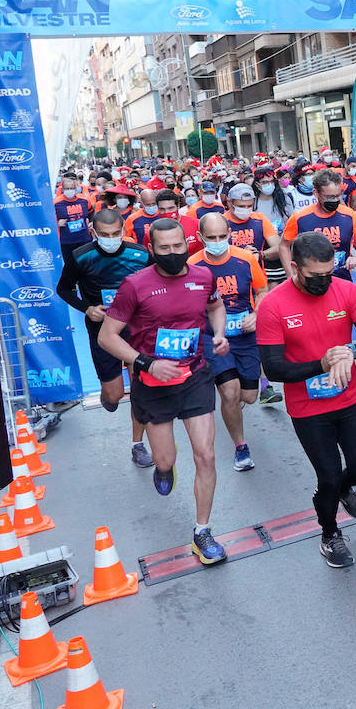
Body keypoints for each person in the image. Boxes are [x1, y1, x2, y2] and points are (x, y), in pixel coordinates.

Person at [97, 219, 231, 565]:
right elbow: (107, 337)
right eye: (164, 248)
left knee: (207, 456)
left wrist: (219, 333)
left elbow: (215, 306)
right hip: (153, 385)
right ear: (151, 248)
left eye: (178, 246)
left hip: (195, 377)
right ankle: (162, 467)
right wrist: (146, 363)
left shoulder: (203, 277)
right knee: (166, 459)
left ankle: (202, 532)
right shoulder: (135, 285)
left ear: (187, 243)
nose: (173, 253)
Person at [256, 232, 356, 568]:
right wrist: (321, 364)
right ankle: (329, 533)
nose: (324, 281)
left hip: (348, 398)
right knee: (327, 477)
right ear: (295, 268)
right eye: (316, 276)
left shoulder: (344, 290)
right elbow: (273, 369)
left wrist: (351, 350)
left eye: (329, 272)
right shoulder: (273, 305)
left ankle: (343, 490)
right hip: (308, 408)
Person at [57, 208, 154, 467]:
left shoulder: (141, 254)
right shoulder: (81, 256)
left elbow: (156, 284)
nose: (110, 238)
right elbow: (63, 289)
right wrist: (86, 308)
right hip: (102, 332)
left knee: (141, 389)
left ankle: (138, 444)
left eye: (115, 233)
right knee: (113, 397)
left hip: (136, 330)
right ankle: (108, 395)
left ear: (123, 231)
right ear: (93, 232)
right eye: (104, 234)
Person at [190, 213, 269, 472]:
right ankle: (241, 446)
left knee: (249, 395)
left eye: (222, 236)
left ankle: (231, 408)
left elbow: (262, 291)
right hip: (213, 339)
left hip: (246, 337)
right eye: (211, 238)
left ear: (230, 234)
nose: (217, 242)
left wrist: (257, 315)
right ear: (200, 238)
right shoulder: (192, 265)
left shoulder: (246, 258)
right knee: (230, 391)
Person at [282, 169, 356, 280]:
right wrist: (291, 275)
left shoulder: (349, 215)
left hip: (342, 278)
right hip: (310, 282)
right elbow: (283, 246)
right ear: (316, 193)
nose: (334, 200)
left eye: (337, 196)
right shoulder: (299, 217)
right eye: (329, 197)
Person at [55, 176, 93, 259]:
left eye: (71, 188)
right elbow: (48, 222)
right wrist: (57, 224)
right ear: (62, 190)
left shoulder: (84, 200)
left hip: (84, 239)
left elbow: (91, 212)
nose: (69, 190)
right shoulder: (56, 203)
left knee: (86, 264)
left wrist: (91, 222)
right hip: (66, 242)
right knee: (70, 267)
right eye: (67, 188)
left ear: (76, 189)